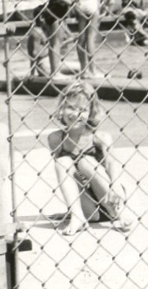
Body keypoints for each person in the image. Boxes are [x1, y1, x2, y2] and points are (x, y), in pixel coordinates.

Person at [47, 81, 134, 235]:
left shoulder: (99, 137)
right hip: (90, 211)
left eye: (82, 110)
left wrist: (115, 188)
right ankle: (77, 216)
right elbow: (67, 178)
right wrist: (71, 209)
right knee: (63, 162)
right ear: (62, 108)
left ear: (91, 112)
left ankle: (119, 213)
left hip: (110, 197)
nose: (75, 114)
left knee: (85, 162)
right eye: (71, 108)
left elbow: (112, 164)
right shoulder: (56, 139)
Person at [69, 0, 105, 78]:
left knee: (81, 38)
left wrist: (74, 6)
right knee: (90, 38)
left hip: (81, 1)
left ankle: (83, 70)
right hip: (93, 0)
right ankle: (92, 70)